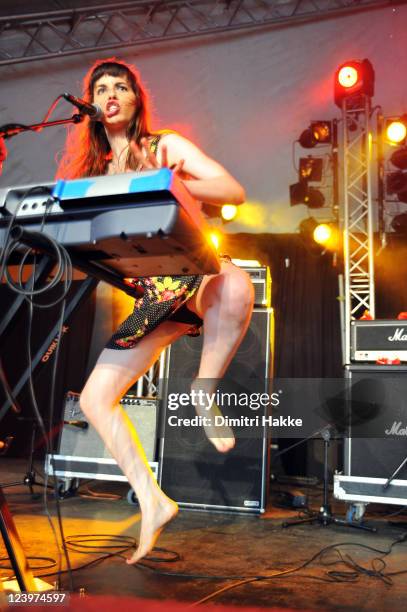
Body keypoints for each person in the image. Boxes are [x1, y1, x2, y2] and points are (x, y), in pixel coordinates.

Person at [57, 58, 254, 564]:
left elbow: (232, 191)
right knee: (97, 399)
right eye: (100, 89)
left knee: (236, 284)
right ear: (92, 106)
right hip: (157, 296)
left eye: (119, 86)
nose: (110, 94)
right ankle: (152, 499)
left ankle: (204, 388)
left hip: (199, 274)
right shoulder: (91, 173)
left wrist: (171, 182)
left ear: (135, 98)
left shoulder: (164, 146)